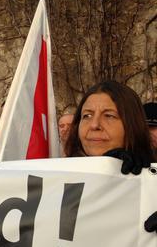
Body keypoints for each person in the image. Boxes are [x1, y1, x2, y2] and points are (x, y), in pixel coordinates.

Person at [63, 81, 157, 236]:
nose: (94, 125)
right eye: (86, 115)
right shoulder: (52, 182)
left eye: (109, 115)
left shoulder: (152, 183)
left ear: (132, 125)